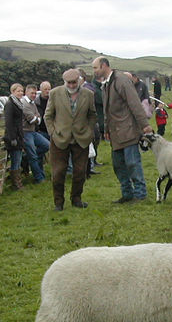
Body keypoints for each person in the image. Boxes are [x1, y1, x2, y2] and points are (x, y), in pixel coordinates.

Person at [91, 56, 152, 203]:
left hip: (128, 129)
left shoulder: (121, 80)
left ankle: (140, 194)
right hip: (115, 132)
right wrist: (106, 128)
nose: (94, 71)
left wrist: (145, 125)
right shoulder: (106, 83)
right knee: (118, 165)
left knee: (132, 163)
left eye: (95, 68)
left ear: (104, 66)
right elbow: (107, 109)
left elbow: (134, 103)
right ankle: (127, 194)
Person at [44, 69, 96, 211]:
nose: (72, 85)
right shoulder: (55, 93)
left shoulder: (88, 94)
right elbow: (48, 116)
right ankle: (58, 202)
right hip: (59, 139)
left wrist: (89, 131)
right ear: (64, 82)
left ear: (79, 80)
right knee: (58, 172)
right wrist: (53, 133)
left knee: (80, 171)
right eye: (69, 83)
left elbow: (92, 115)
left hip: (81, 138)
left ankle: (76, 198)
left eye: (74, 82)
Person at [21, 84, 50, 183]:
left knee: (47, 145)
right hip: (25, 132)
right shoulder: (24, 104)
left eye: (35, 93)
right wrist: (36, 118)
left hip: (33, 132)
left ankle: (26, 157)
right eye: (32, 93)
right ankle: (39, 178)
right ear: (26, 93)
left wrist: (36, 118)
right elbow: (32, 119)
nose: (34, 95)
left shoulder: (32, 103)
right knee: (33, 155)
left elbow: (39, 117)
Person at [3, 83, 26, 190]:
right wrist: (12, 138)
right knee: (15, 160)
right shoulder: (10, 104)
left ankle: (18, 182)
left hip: (19, 135)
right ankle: (16, 184)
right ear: (12, 92)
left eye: (22, 91)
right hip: (13, 137)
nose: (21, 93)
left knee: (18, 158)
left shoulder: (18, 103)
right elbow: (9, 122)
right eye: (18, 91)